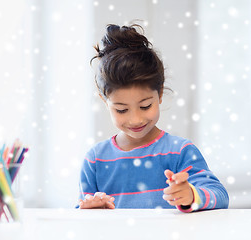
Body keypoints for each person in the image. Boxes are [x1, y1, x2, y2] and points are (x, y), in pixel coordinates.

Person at [78, 24, 229, 212]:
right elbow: (80, 214)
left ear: (160, 94)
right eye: (122, 110)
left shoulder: (179, 151)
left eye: (145, 106)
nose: (135, 119)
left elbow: (219, 195)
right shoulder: (95, 160)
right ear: (105, 101)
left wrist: (191, 195)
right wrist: (92, 210)